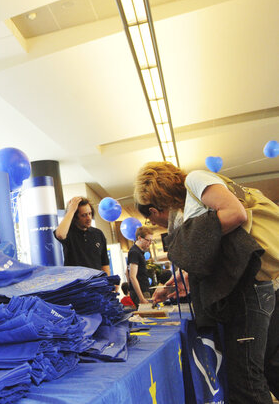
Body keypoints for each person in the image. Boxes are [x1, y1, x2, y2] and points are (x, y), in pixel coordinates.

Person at [134, 161, 279, 403]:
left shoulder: (196, 179)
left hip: (249, 289)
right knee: (265, 369)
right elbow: (224, 248)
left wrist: (190, 244)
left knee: (246, 382)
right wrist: (183, 277)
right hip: (253, 286)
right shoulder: (193, 202)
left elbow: (236, 214)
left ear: (155, 202)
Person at [54, 196, 110, 274]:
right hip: (77, 283)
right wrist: (71, 210)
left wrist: (108, 283)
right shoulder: (69, 233)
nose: (89, 218)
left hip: (96, 282)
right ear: (75, 217)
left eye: (90, 214)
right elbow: (60, 234)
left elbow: (105, 263)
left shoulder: (98, 234)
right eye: (84, 215)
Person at [126, 226, 153, 306]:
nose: (150, 243)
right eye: (148, 240)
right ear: (140, 238)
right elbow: (132, 276)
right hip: (141, 292)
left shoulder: (137, 251)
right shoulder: (135, 252)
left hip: (141, 291)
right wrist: (141, 298)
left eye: (151, 241)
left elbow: (126, 272)